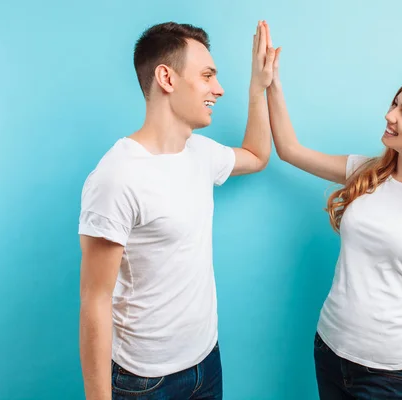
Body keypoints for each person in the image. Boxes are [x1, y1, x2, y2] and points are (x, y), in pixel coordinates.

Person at [265, 24, 402, 399]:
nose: (389, 115)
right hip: (329, 348)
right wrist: (271, 83)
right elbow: (289, 149)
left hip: (389, 374)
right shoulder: (366, 172)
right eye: (394, 103)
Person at [78, 21, 276, 400]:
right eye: (206, 76)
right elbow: (95, 301)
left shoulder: (199, 152)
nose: (217, 89)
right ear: (167, 78)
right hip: (145, 381)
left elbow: (256, 155)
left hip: (206, 360)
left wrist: (258, 87)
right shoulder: (116, 177)